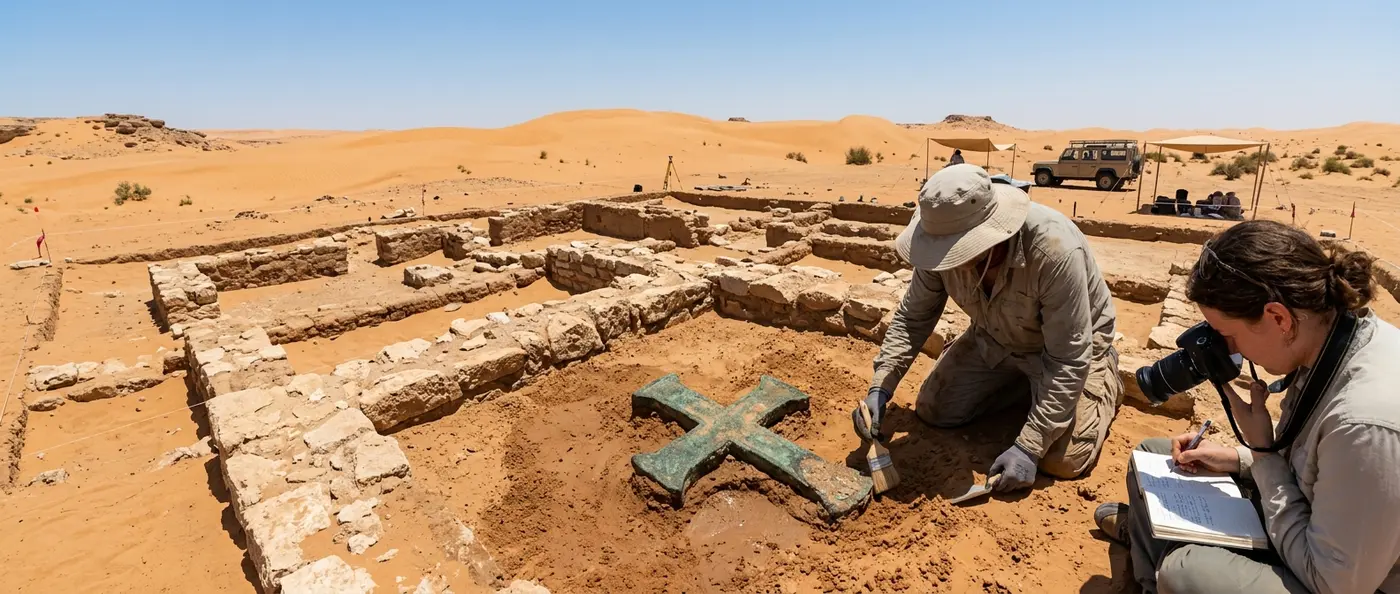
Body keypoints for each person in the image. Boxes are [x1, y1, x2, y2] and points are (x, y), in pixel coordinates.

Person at [1094, 220, 1400, 593]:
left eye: (1229, 335)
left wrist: (1263, 454)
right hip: (1313, 521)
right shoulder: (1325, 336)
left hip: (1342, 581)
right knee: (1155, 457)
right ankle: (1153, 574)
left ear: (1277, 318)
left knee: (1187, 571)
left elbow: (1334, 583)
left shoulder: (1364, 425)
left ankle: (1168, 562)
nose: (1231, 350)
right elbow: (1314, 464)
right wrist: (1239, 459)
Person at [852, 164, 1123, 492]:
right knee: (935, 409)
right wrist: (880, 388)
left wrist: (1028, 447)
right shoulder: (938, 244)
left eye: (961, 250)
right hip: (996, 337)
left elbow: (1068, 357)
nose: (952, 261)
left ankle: (1103, 381)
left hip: (1071, 350)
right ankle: (1027, 386)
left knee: (1060, 462)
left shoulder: (1054, 250)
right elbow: (913, 318)